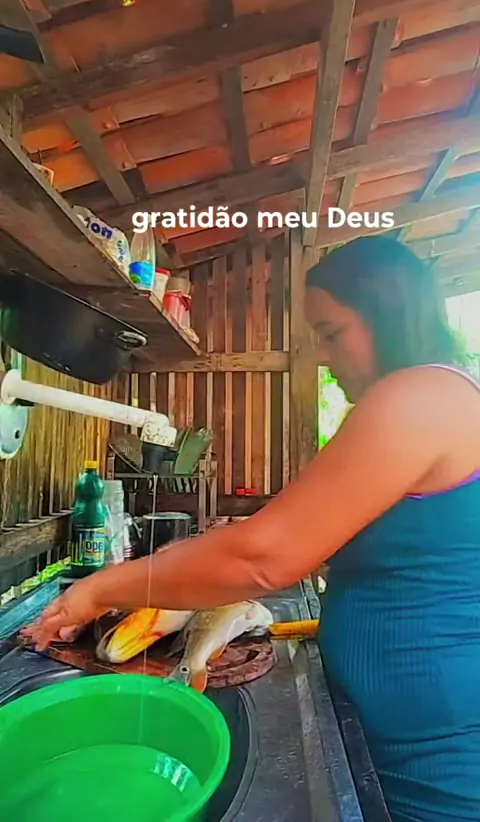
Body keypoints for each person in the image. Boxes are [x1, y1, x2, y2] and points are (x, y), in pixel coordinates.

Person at [25, 236, 480, 822]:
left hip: (434, 758)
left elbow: (262, 556)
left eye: (331, 333)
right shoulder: (437, 397)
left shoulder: (424, 396)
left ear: (388, 314)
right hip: (403, 738)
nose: (321, 356)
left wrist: (97, 590)